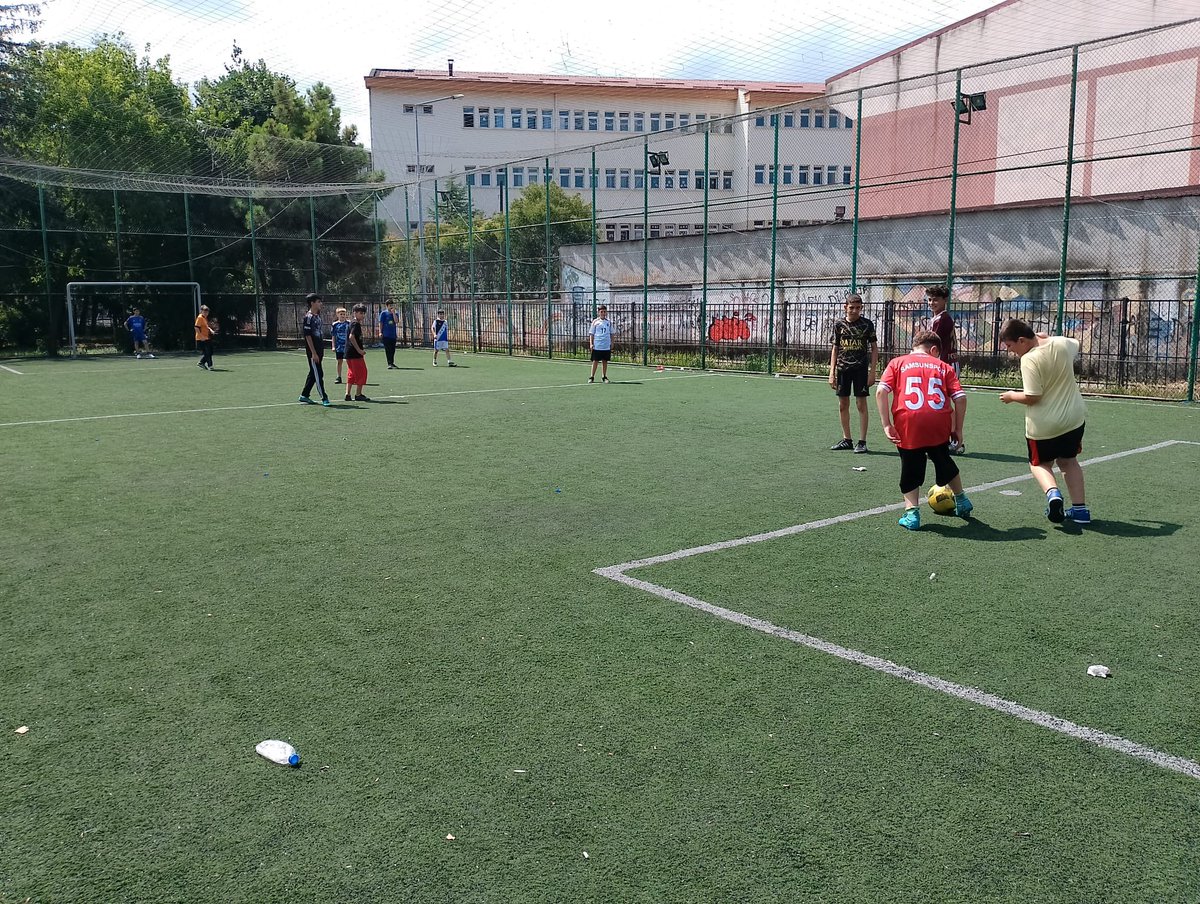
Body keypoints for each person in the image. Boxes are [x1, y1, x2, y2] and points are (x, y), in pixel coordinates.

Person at [876, 331, 973, 530]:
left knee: (910, 466)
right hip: (938, 423)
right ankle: (962, 500)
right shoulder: (944, 367)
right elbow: (960, 398)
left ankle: (912, 514)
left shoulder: (897, 363)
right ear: (934, 350)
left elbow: (881, 391)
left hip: (908, 422)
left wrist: (886, 424)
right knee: (943, 460)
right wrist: (958, 429)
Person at [999, 319, 1090, 524]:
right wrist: (1048, 337)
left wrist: (1012, 396)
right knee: (1069, 462)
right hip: (1074, 420)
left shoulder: (1029, 359)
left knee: (1039, 464)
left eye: (1010, 345)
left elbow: (1033, 396)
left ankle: (1053, 494)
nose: (1009, 351)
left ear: (1021, 340)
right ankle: (1080, 512)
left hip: (1044, 425)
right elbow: (1075, 343)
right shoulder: (1061, 344)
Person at [829, 294, 878, 453]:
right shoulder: (839, 324)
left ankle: (862, 442)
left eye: (858, 308)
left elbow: (874, 349)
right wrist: (831, 373)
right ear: (845, 307)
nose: (855, 311)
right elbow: (835, 348)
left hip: (860, 370)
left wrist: (872, 372)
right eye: (852, 307)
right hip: (843, 369)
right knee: (843, 404)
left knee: (861, 404)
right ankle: (847, 439)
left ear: (861, 308)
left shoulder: (867, 324)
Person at [927, 284, 964, 454]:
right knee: (942, 402)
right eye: (929, 299)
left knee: (945, 403)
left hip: (947, 365)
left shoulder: (942, 319)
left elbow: (932, 343)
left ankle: (955, 440)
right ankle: (948, 439)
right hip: (943, 364)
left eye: (935, 299)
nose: (932, 303)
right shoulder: (938, 318)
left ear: (945, 300)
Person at [298, 293, 331, 407]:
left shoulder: (317, 316)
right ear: (312, 303)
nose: (320, 304)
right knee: (318, 374)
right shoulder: (308, 317)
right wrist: (313, 353)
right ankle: (324, 397)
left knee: (313, 373)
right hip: (313, 352)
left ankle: (304, 395)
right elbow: (307, 336)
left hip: (319, 349)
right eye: (318, 302)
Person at [345, 303, 371, 402]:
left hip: (349, 353)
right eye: (360, 313)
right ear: (355, 313)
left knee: (351, 373)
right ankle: (358, 394)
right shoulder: (355, 324)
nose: (362, 315)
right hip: (355, 354)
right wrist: (359, 350)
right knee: (362, 372)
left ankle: (347, 394)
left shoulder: (352, 323)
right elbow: (351, 337)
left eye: (363, 313)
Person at [588, 304, 614, 383]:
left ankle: (604, 376)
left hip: (606, 345)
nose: (603, 313)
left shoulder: (608, 322)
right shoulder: (595, 322)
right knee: (595, 361)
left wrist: (612, 342)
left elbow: (612, 333)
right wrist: (591, 343)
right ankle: (592, 377)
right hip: (597, 345)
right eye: (601, 312)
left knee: (605, 361)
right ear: (599, 312)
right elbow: (591, 334)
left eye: (604, 312)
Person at [329, 307, 351, 384]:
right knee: (339, 361)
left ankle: (351, 377)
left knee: (349, 361)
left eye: (344, 314)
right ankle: (339, 376)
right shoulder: (335, 324)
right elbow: (333, 336)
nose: (342, 316)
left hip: (347, 346)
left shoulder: (349, 323)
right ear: (337, 315)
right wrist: (333, 346)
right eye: (341, 314)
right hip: (339, 346)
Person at [195, 304, 215, 370]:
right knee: (207, 352)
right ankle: (210, 366)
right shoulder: (200, 318)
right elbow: (196, 328)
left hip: (206, 337)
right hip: (201, 339)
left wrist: (211, 330)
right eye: (205, 311)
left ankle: (201, 363)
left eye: (207, 312)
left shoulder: (204, 318)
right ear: (201, 311)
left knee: (210, 351)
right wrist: (201, 336)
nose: (206, 313)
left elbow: (206, 326)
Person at [379, 301, 399, 369]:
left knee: (393, 350)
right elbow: (381, 323)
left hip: (393, 335)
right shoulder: (383, 313)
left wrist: (393, 313)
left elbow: (396, 321)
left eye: (392, 305)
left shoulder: (396, 313)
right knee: (388, 349)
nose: (391, 307)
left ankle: (392, 363)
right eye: (390, 305)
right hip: (386, 335)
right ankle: (389, 363)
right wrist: (380, 332)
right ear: (387, 306)